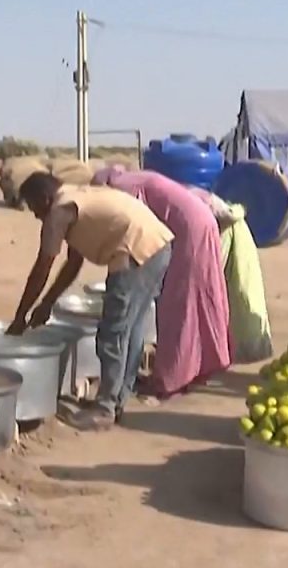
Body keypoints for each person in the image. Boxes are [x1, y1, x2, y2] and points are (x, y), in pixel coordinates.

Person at [8, 172, 174, 431]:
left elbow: (42, 268)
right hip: (158, 246)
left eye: (33, 207)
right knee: (132, 329)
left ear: (44, 198)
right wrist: (46, 304)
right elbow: (73, 264)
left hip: (133, 251)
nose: (35, 215)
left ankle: (105, 408)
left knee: (113, 332)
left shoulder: (59, 212)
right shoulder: (79, 197)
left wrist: (20, 317)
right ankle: (117, 400)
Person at [91, 166, 232, 397]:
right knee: (197, 298)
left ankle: (173, 377)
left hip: (188, 232)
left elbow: (135, 229)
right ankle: (194, 368)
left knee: (178, 305)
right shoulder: (137, 178)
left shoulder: (124, 188)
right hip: (201, 224)